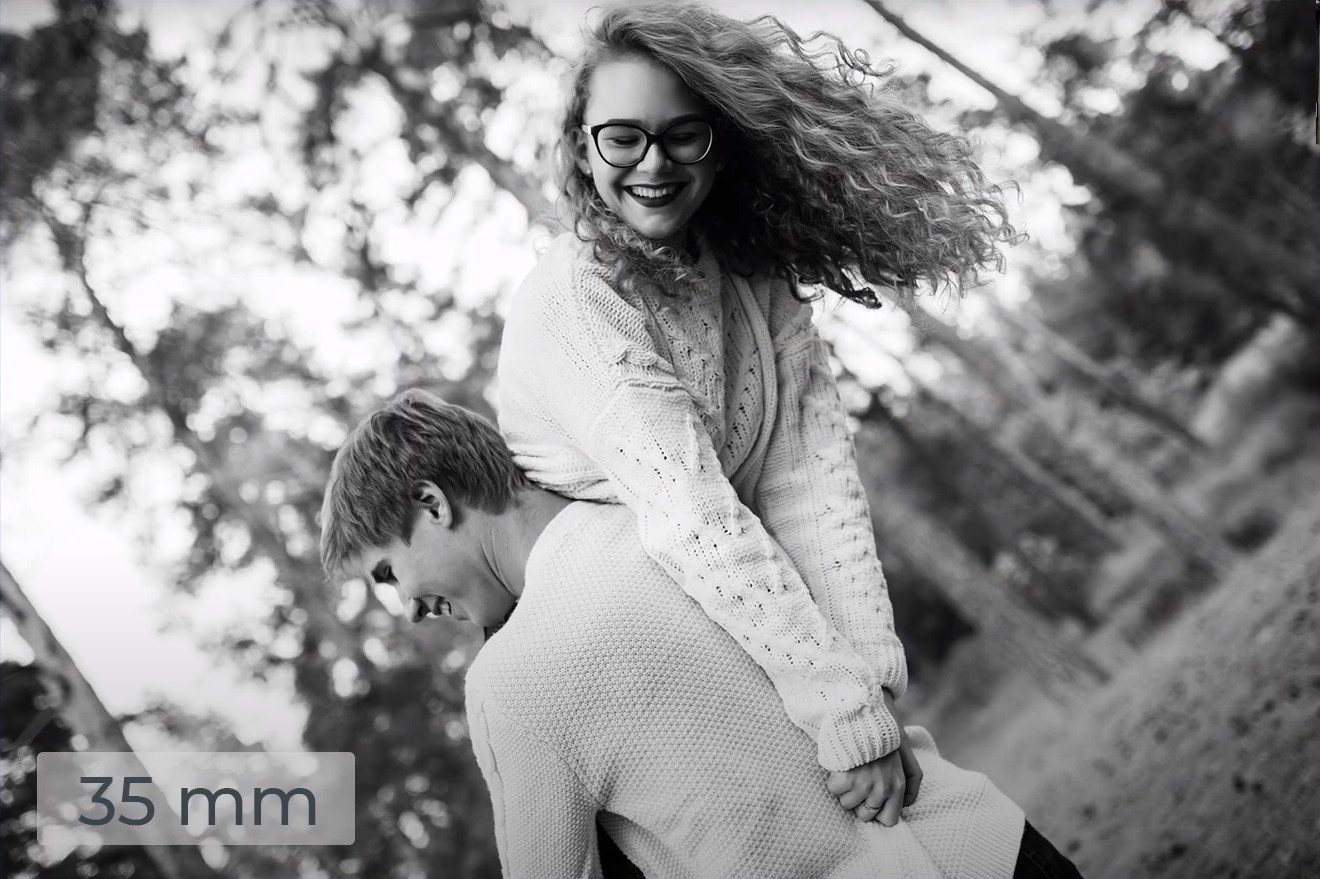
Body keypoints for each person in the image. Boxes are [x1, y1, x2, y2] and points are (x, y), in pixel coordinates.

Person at [496, 1, 1018, 825]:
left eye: (683, 135)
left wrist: (869, 692)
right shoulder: (575, 301)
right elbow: (694, 518)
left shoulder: (750, 274)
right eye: (622, 137)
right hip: (639, 652)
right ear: (581, 148)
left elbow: (812, 482)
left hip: (743, 612)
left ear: (721, 141)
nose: (653, 162)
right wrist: (840, 709)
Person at [318, 389, 1086, 879]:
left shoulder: (509, 684)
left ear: (433, 503)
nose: (407, 607)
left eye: (387, 573)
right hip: (987, 847)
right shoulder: (682, 507)